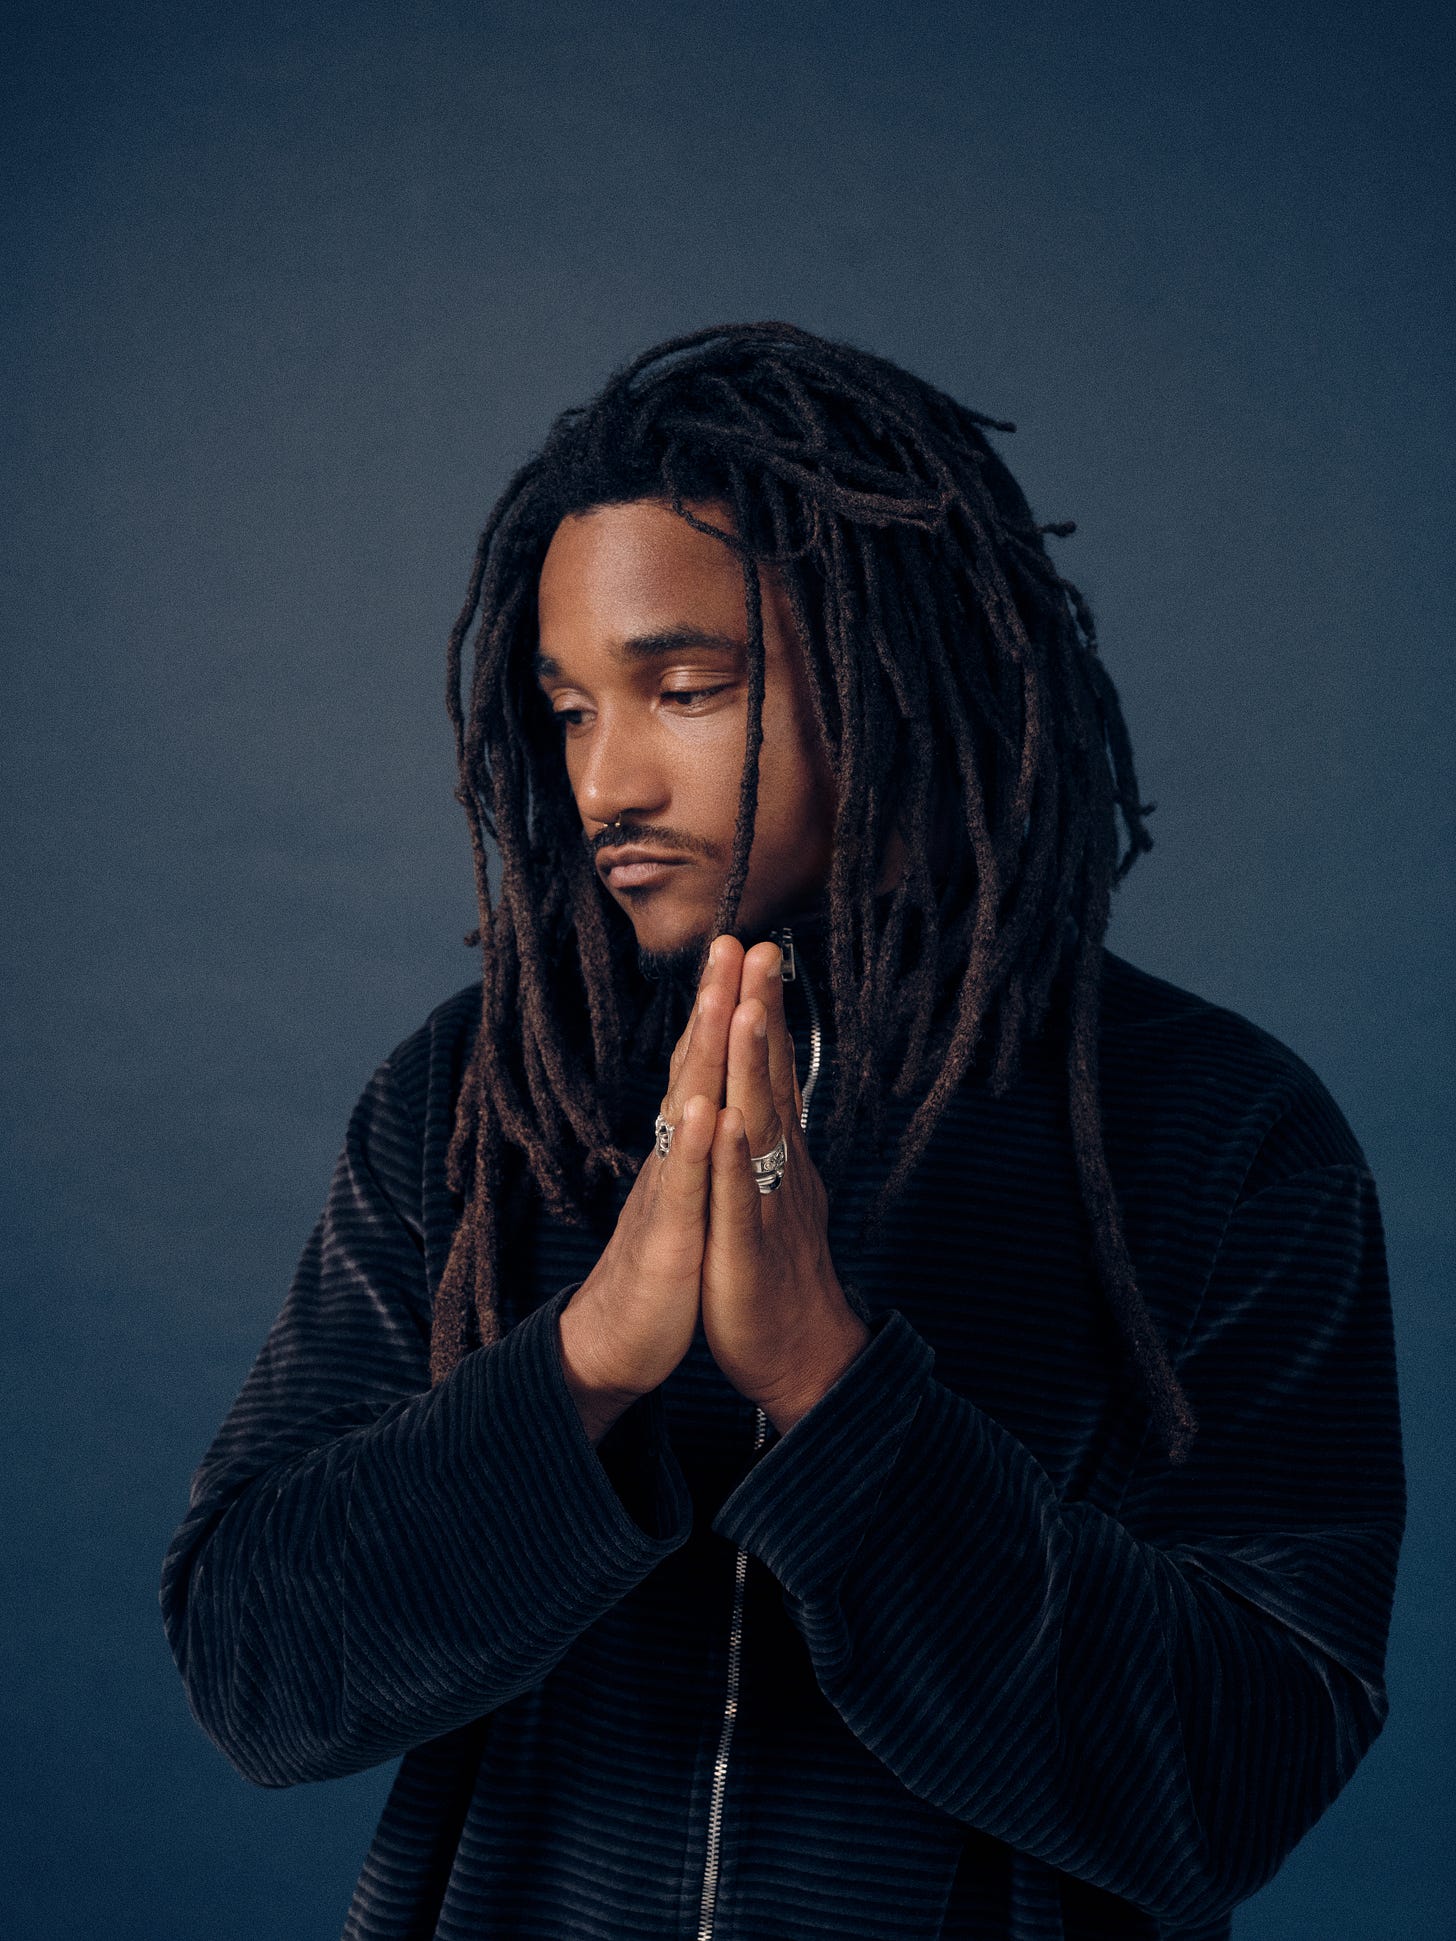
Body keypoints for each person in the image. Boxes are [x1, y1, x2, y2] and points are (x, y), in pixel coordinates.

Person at [160, 322, 1404, 1940]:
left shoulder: (1219, 1136)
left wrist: (834, 1385)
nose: (605, 781)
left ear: (899, 670)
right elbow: (255, 1673)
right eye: (568, 710)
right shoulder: (478, 1101)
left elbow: (1237, 1778)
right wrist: (586, 1358)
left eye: (685, 689)